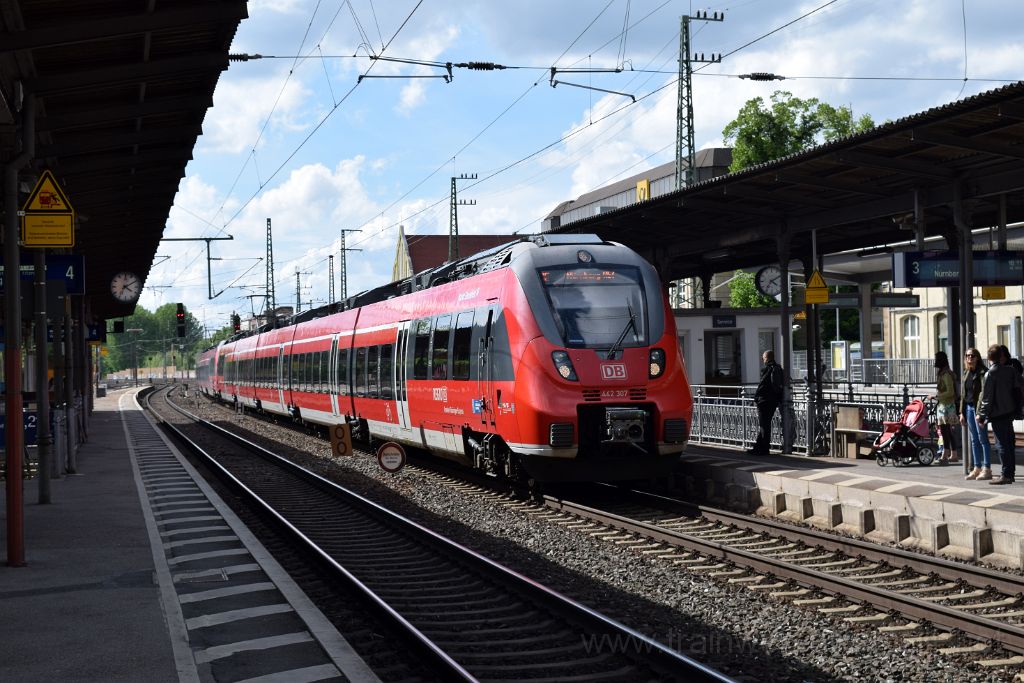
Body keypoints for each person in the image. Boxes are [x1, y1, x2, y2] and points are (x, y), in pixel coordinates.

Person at [977, 344, 1022, 485]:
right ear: (1001, 356)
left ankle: (1006, 475)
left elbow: (987, 398)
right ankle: (1010, 473)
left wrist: (982, 416)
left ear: (989, 357)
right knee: (1009, 444)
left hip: (998, 414)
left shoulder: (990, 373)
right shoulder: (1010, 370)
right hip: (1009, 411)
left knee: (1001, 445)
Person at [961, 348, 991, 480]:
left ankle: (987, 468)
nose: (969, 358)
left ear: (977, 357)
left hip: (978, 410)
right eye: (967, 356)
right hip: (968, 408)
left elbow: (983, 393)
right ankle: (977, 467)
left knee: (982, 438)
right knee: (974, 440)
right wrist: (961, 412)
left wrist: (980, 412)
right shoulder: (966, 372)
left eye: (972, 356)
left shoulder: (983, 372)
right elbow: (963, 394)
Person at [750, 350, 784, 456]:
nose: (763, 359)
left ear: (767, 358)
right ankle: (758, 447)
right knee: (765, 425)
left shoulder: (768, 369)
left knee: (764, 426)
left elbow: (763, 385)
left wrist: (757, 398)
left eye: (763, 358)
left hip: (764, 401)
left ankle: (764, 449)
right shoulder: (778, 368)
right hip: (772, 401)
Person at [928, 351, 959, 464]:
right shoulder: (946, 373)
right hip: (946, 405)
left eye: (936, 359)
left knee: (945, 431)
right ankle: (953, 454)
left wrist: (936, 396)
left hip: (946, 406)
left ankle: (945, 455)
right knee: (947, 431)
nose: (935, 361)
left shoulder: (945, 375)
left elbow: (950, 392)